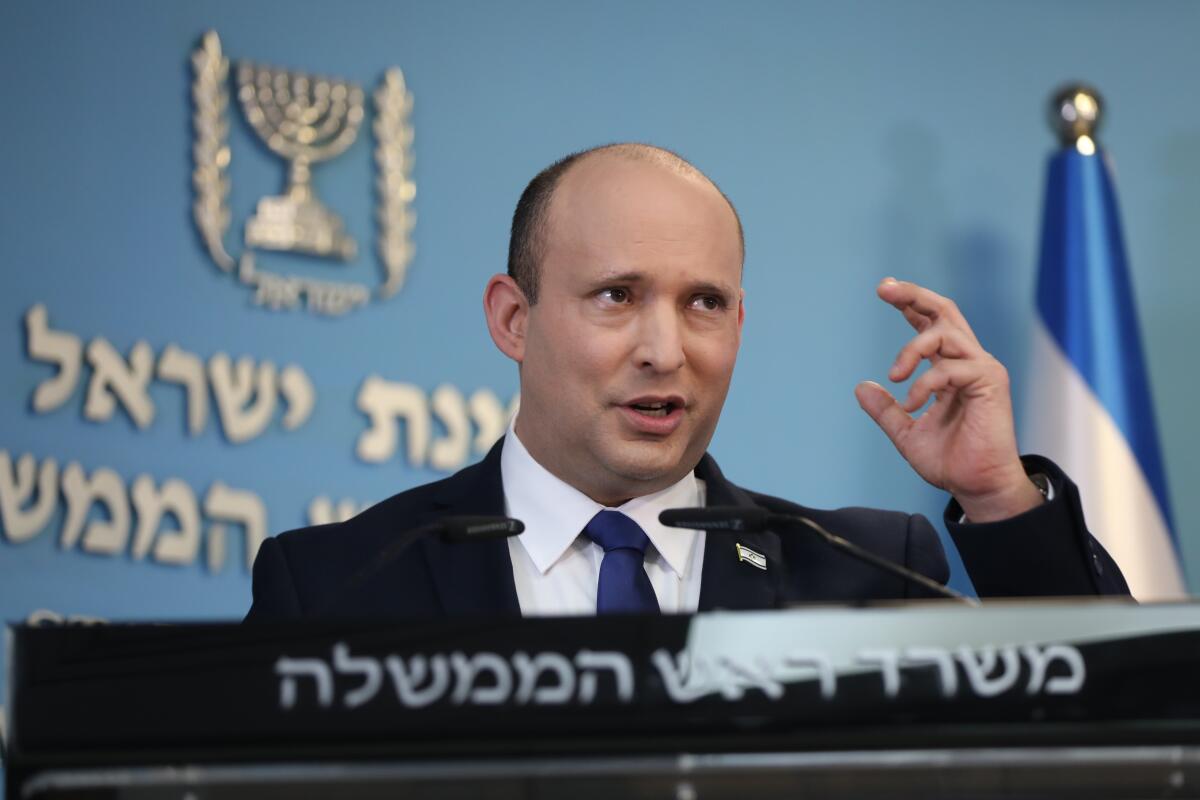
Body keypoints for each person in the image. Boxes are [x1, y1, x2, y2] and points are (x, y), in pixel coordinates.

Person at [246, 143, 1127, 622]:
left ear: (739, 325)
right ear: (513, 319)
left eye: (704, 302)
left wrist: (999, 496)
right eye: (616, 297)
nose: (665, 349)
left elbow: (1119, 733)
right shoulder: (340, 585)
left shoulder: (867, 577)